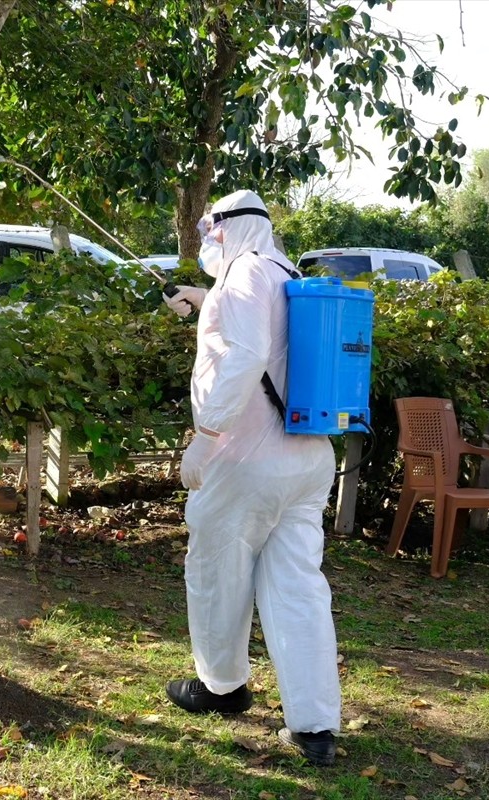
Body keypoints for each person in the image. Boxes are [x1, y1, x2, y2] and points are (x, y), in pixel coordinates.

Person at [162, 189, 342, 768]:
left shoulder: (242, 274)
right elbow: (269, 332)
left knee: (217, 573)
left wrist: (206, 435)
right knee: (298, 589)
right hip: (308, 459)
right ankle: (315, 726)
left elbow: (246, 352)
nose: (207, 238)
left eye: (211, 227)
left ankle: (221, 687)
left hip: (246, 461)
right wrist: (201, 297)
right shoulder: (283, 268)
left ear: (231, 227)